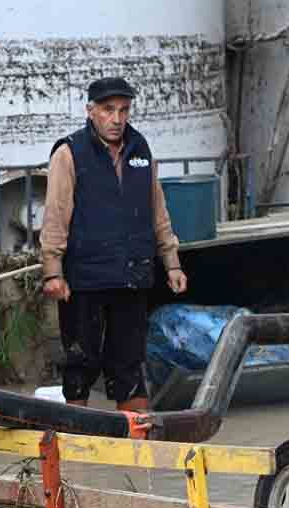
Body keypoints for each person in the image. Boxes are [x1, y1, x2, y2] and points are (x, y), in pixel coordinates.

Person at [39, 76, 188, 413]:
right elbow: (56, 214)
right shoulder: (69, 152)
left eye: (124, 110)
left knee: (130, 364)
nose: (117, 119)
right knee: (80, 362)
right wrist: (52, 272)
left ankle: (135, 453)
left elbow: (157, 208)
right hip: (85, 278)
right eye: (108, 110)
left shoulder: (140, 149)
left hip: (133, 275)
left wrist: (172, 262)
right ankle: (75, 442)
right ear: (91, 111)